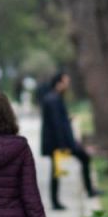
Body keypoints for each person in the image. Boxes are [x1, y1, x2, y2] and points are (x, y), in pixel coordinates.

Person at [39, 72, 97, 209]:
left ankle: (88, 191)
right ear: (58, 83)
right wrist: (63, 146)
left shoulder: (54, 98)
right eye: (66, 82)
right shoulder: (53, 99)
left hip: (60, 142)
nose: (68, 85)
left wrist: (68, 120)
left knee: (62, 168)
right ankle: (56, 202)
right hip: (59, 143)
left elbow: (59, 121)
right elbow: (56, 125)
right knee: (57, 171)